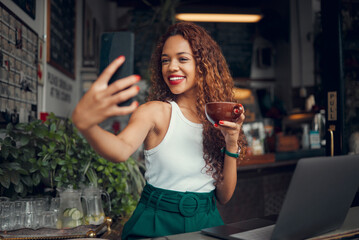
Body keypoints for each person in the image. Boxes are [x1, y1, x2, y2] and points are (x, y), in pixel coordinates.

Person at [72, 21, 246, 239]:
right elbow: (120, 149)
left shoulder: (215, 120)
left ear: (203, 66)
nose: (171, 67)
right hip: (155, 223)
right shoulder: (155, 112)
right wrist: (87, 125)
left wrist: (231, 142)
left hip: (207, 223)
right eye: (165, 60)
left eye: (182, 59)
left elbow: (224, 196)